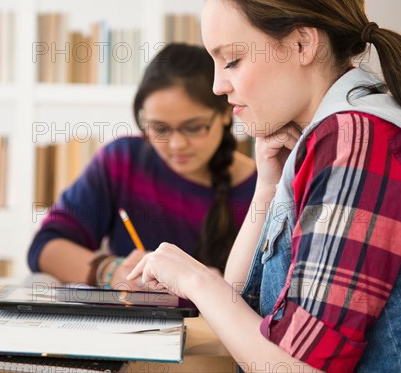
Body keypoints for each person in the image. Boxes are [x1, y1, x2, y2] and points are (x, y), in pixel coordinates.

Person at [127, 0, 401, 372]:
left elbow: (295, 367)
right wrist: (267, 190)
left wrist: (194, 280)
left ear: (303, 44)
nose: (218, 85)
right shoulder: (326, 137)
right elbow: (235, 308)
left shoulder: (357, 141)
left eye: (231, 60)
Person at [28, 43, 256, 289]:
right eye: (159, 128)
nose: (177, 145)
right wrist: (113, 271)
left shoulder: (261, 187)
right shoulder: (123, 161)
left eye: (193, 127)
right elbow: (45, 248)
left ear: (225, 113)